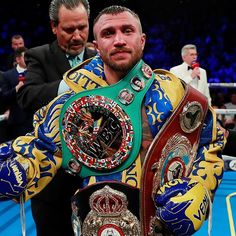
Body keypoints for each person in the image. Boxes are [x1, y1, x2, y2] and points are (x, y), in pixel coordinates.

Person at [0, 5, 226, 236]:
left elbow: (209, 145)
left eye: (127, 30)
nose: (119, 40)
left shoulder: (178, 95)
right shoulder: (72, 103)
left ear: (142, 40)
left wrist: (199, 190)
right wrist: (18, 169)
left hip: (161, 228)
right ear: (96, 46)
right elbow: (42, 149)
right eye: (108, 33)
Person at [16, 0, 96, 235]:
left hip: (96, 181)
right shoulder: (38, 55)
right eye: (69, 30)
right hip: (52, 184)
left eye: (82, 27)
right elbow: (27, 97)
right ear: (54, 26)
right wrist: (71, 85)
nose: (78, 36)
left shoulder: (101, 58)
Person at [0, 47, 33, 141]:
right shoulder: (7, 75)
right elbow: (4, 97)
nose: (28, 60)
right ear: (18, 59)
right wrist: (16, 89)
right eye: (25, 57)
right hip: (16, 121)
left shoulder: (35, 72)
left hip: (34, 119)